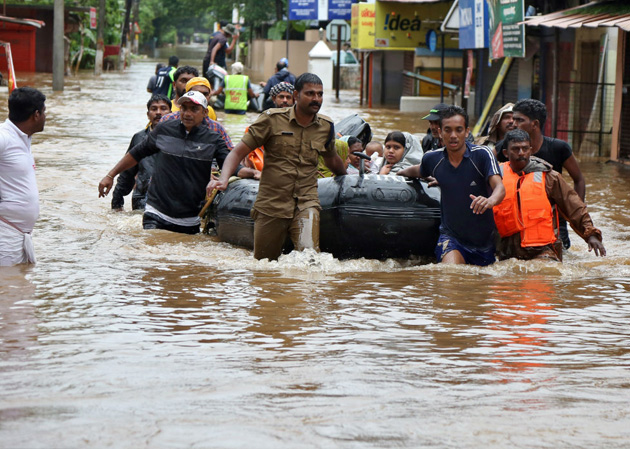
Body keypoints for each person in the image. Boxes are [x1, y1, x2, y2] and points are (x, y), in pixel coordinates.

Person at [207, 73, 347, 260]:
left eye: (320, 94)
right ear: (296, 95)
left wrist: (347, 178)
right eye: (311, 93)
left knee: (310, 259)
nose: (316, 99)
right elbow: (237, 152)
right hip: (271, 204)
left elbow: (332, 159)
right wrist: (223, 180)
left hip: (306, 202)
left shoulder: (326, 126)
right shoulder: (271, 120)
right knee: (265, 264)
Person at [98, 91, 257, 234]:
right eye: (184, 108)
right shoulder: (164, 130)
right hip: (156, 212)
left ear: (205, 112)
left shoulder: (213, 139)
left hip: (189, 219)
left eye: (194, 109)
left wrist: (253, 173)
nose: (187, 113)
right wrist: (110, 175)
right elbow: (136, 153)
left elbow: (232, 165)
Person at [397, 106, 505, 266]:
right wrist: (394, 174)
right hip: (452, 238)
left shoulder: (482, 155)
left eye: (459, 130)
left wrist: (490, 201)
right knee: (451, 277)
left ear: (467, 132)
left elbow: (500, 188)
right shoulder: (432, 159)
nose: (453, 136)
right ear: (440, 132)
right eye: (448, 130)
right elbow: (417, 170)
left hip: (484, 242)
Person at [494, 129, 605, 261]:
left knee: (545, 272)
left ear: (530, 150)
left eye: (525, 148)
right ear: (506, 153)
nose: (521, 153)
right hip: (506, 250)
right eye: (516, 149)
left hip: (543, 249)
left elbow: (574, 206)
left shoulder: (549, 177)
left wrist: (590, 234)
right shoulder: (495, 176)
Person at [495, 99, 585, 249]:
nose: (513, 123)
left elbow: (579, 179)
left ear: (535, 124)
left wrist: (574, 212)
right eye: (512, 118)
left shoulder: (558, 148)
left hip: (553, 222)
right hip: (516, 222)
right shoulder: (504, 148)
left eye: (519, 120)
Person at [0, 87, 47, 266]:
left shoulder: (23, 138)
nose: (45, 117)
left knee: (18, 289)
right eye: (44, 112)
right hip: (5, 233)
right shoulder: (4, 136)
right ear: (36, 115)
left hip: (21, 234)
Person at [111, 94, 172, 211]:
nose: (158, 112)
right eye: (154, 109)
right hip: (142, 199)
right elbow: (127, 173)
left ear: (171, 113)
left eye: (163, 109)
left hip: (169, 199)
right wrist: (116, 203)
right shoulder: (139, 138)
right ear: (148, 114)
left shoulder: (179, 136)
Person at [243, 82, 295, 171]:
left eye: (288, 97)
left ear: (294, 100)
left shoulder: (299, 120)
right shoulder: (266, 118)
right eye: (281, 97)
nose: (285, 100)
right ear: (274, 99)